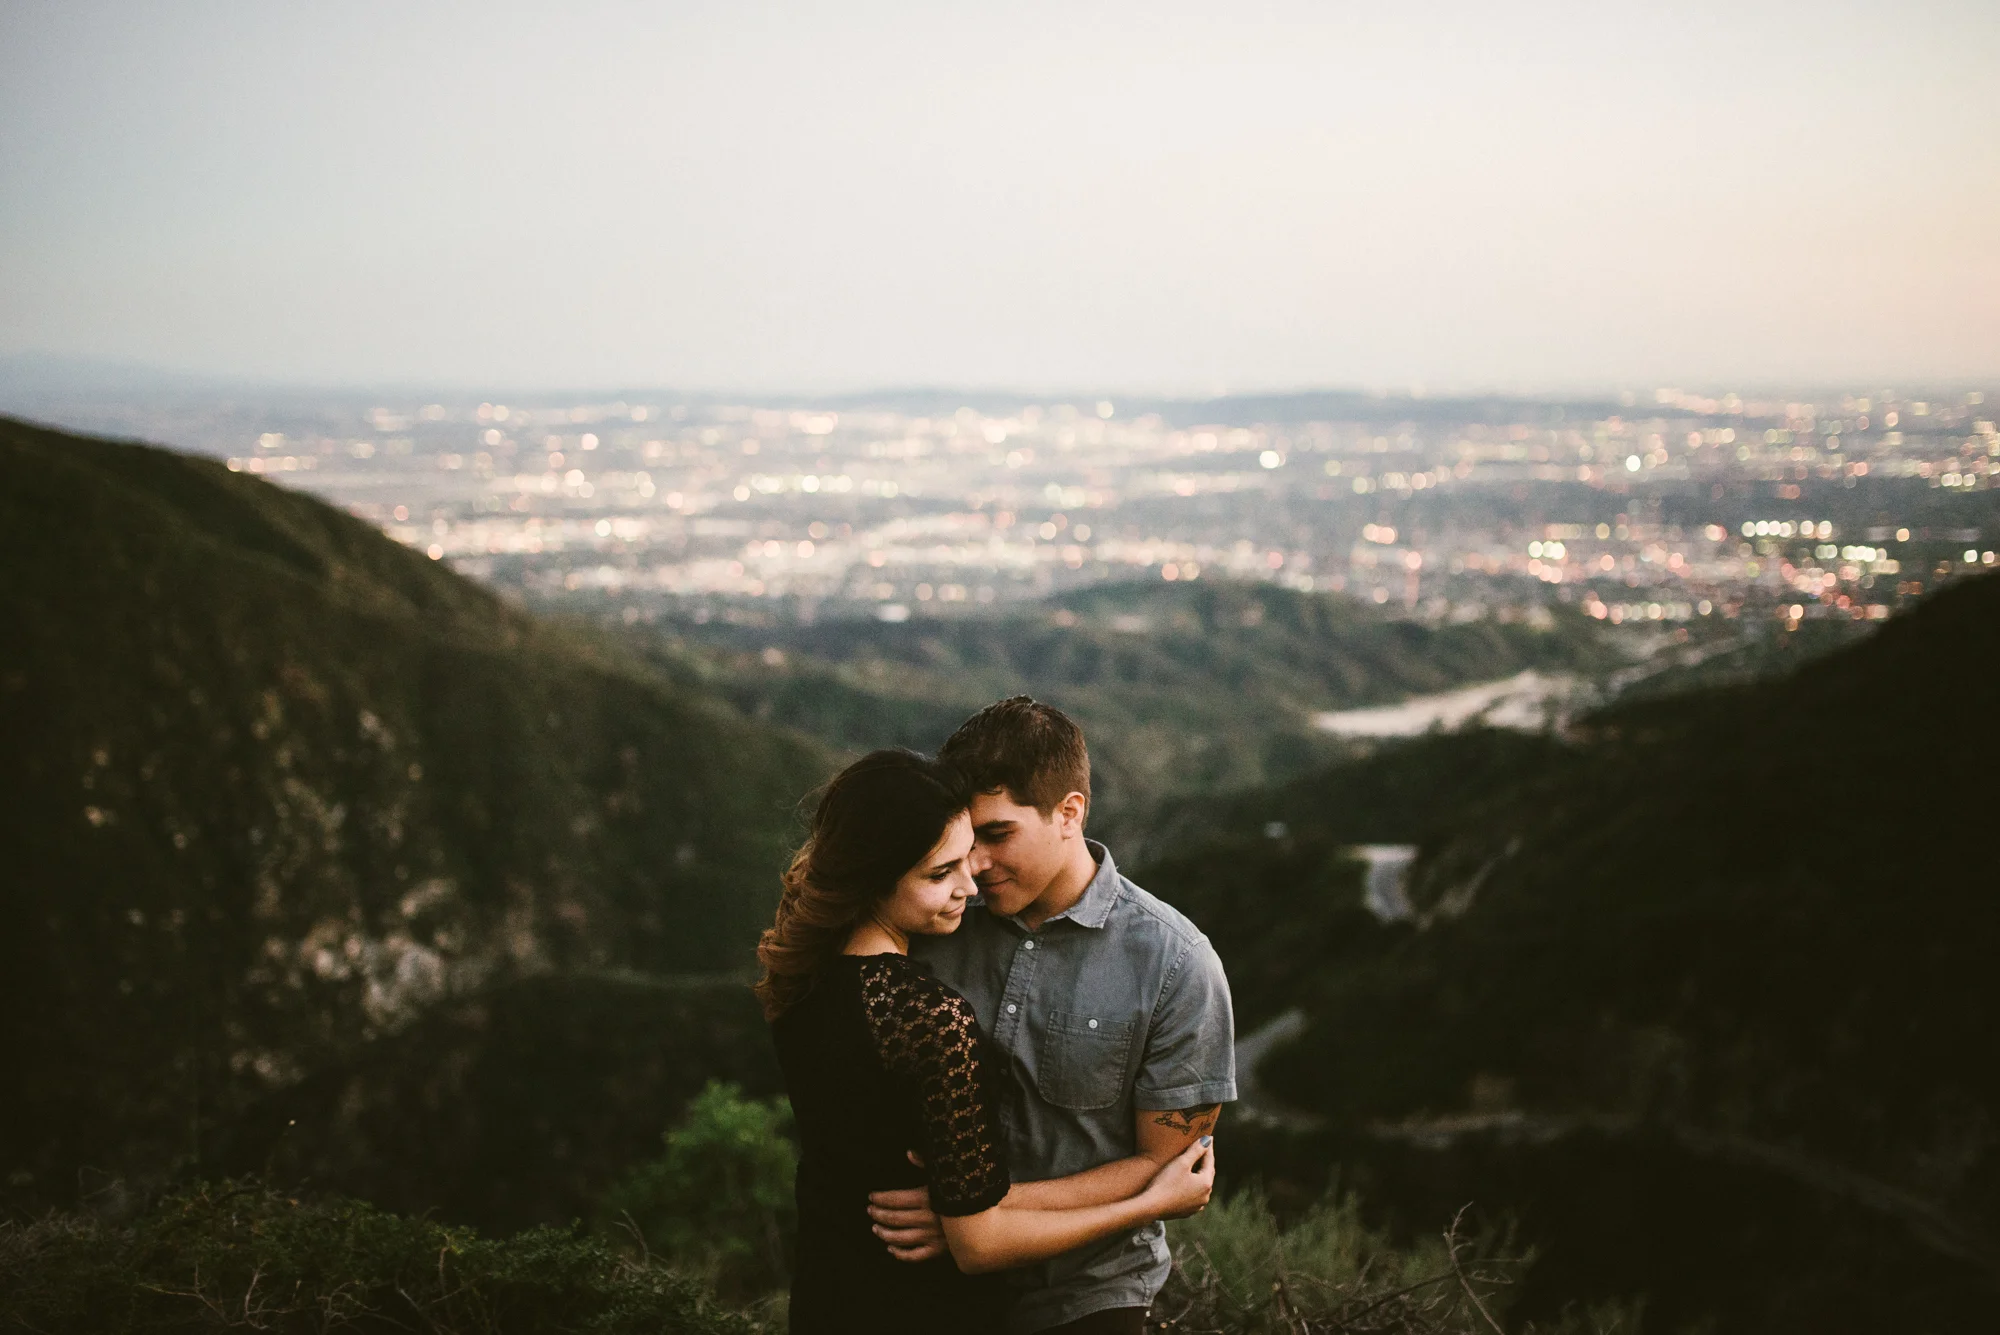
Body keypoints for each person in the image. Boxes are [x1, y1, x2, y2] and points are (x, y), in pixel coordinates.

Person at [758, 749, 1216, 1334]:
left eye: (967, 857)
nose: (968, 886)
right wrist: (1153, 1204)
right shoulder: (929, 1015)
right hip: (921, 1307)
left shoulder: (801, 977)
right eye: (939, 874)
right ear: (873, 878)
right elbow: (978, 1243)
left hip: (826, 1291)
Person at [872, 699, 1237, 1335]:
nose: (974, 864)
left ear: (1069, 813)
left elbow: (1169, 1164)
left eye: (997, 835)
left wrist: (969, 1212)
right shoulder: (937, 921)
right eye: (966, 839)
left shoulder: (1176, 964)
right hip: (932, 1278)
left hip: (1090, 1289)